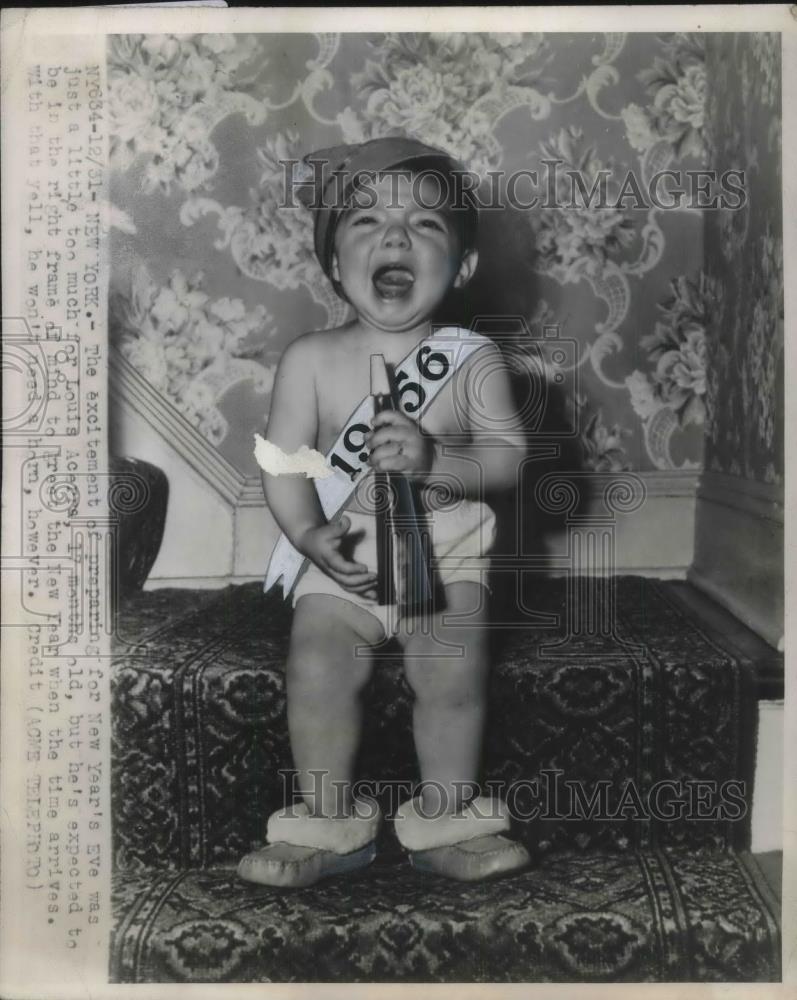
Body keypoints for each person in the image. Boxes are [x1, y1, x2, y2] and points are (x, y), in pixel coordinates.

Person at [238, 136, 530, 888]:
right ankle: (326, 823)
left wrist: (439, 462)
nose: (395, 236)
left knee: (451, 665)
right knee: (316, 662)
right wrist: (306, 532)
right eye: (365, 222)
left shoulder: (472, 362)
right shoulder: (309, 359)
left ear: (462, 266)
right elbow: (283, 465)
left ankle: (448, 820)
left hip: (451, 557)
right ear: (334, 263)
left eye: (427, 226)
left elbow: (506, 461)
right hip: (349, 565)